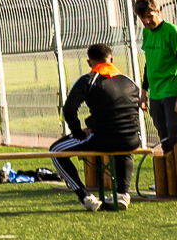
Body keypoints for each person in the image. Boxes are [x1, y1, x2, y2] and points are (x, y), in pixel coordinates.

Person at [52, 42, 145, 211]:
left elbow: (69, 110)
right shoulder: (129, 81)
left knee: (56, 151)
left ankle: (85, 196)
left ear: (89, 63)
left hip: (103, 139)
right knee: (124, 145)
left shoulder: (88, 80)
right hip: (132, 139)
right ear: (112, 60)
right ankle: (122, 194)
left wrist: (79, 133)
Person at [134, 0, 177, 148]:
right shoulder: (146, 33)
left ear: (158, 12)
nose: (146, 21)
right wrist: (144, 91)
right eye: (142, 18)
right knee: (164, 139)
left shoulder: (172, 31)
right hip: (155, 95)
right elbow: (149, 63)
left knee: (176, 138)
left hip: (172, 93)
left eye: (149, 16)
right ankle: (168, 163)